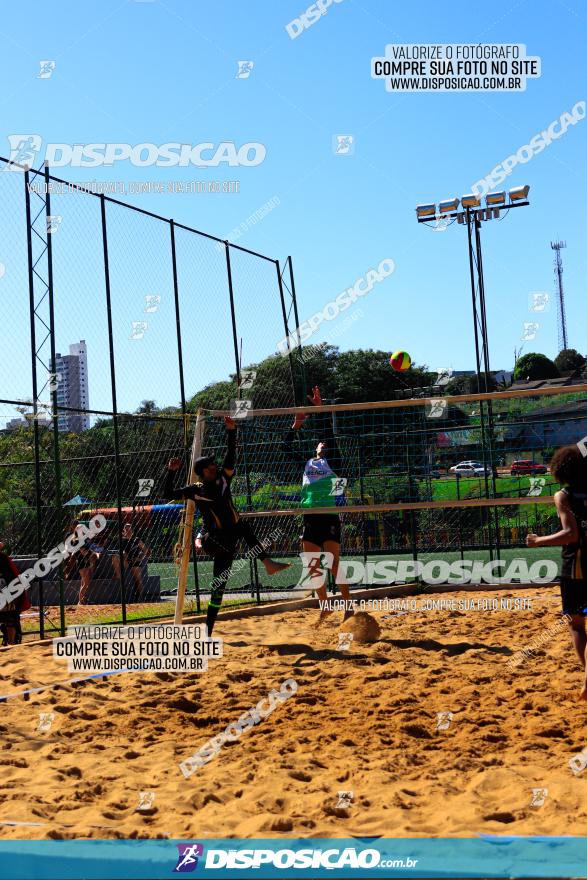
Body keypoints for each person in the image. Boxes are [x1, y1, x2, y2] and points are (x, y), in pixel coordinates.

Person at [163, 416, 289, 635]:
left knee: (218, 586)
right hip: (214, 540)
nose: (215, 465)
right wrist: (171, 472)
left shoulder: (223, 478)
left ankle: (208, 631)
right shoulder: (196, 489)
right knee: (242, 526)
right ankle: (267, 562)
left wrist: (232, 431)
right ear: (204, 471)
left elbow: (231, 457)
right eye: (211, 465)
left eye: (214, 463)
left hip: (228, 541)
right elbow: (167, 494)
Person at [284, 386, 354, 625]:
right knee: (313, 566)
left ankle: (348, 607)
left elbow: (329, 435)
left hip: (328, 515)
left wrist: (320, 409)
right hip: (310, 517)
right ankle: (325, 607)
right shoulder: (307, 463)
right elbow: (285, 448)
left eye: (326, 444)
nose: (323, 445)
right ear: (315, 447)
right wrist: (296, 426)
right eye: (320, 444)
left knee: (334, 565)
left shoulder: (333, 462)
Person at [526, 444, 587, 700]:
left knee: (576, 624)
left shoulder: (563, 495)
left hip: (578, 566)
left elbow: (571, 534)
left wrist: (538, 540)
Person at [0, 543, 31, 646]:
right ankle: (10, 640)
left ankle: (11, 640)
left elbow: (13, 578)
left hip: (7, 591)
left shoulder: (3, 559)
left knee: (10, 616)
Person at [113, 523, 150, 600]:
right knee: (114, 557)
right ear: (124, 531)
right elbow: (120, 551)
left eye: (129, 529)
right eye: (126, 529)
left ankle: (141, 596)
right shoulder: (123, 540)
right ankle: (118, 575)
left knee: (138, 579)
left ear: (132, 530)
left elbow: (146, 551)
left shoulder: (136, 540)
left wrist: (140, 558)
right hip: (126, 561)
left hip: (135, 561)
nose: (127, 531)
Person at [63, 520, 96, 606]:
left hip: (85, 561)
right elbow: (83, 552)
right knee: (86, 582)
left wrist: (90, 552)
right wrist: (91, 553)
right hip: (82, 562)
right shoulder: (78, 540)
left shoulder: (83, 539)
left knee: (84, 582)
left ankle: (82, 600)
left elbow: (87, 551)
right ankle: (80, 600)